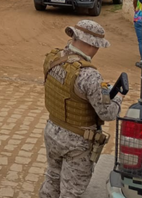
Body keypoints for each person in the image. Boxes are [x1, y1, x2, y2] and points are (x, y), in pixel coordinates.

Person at [40, 20, 123, 198]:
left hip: (52, 131)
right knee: (71, 191)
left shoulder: (54, 58)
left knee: (52, 178)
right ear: (92, 44)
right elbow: (108, 113)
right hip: (77, 142)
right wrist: (117, 98)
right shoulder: (89, 75)